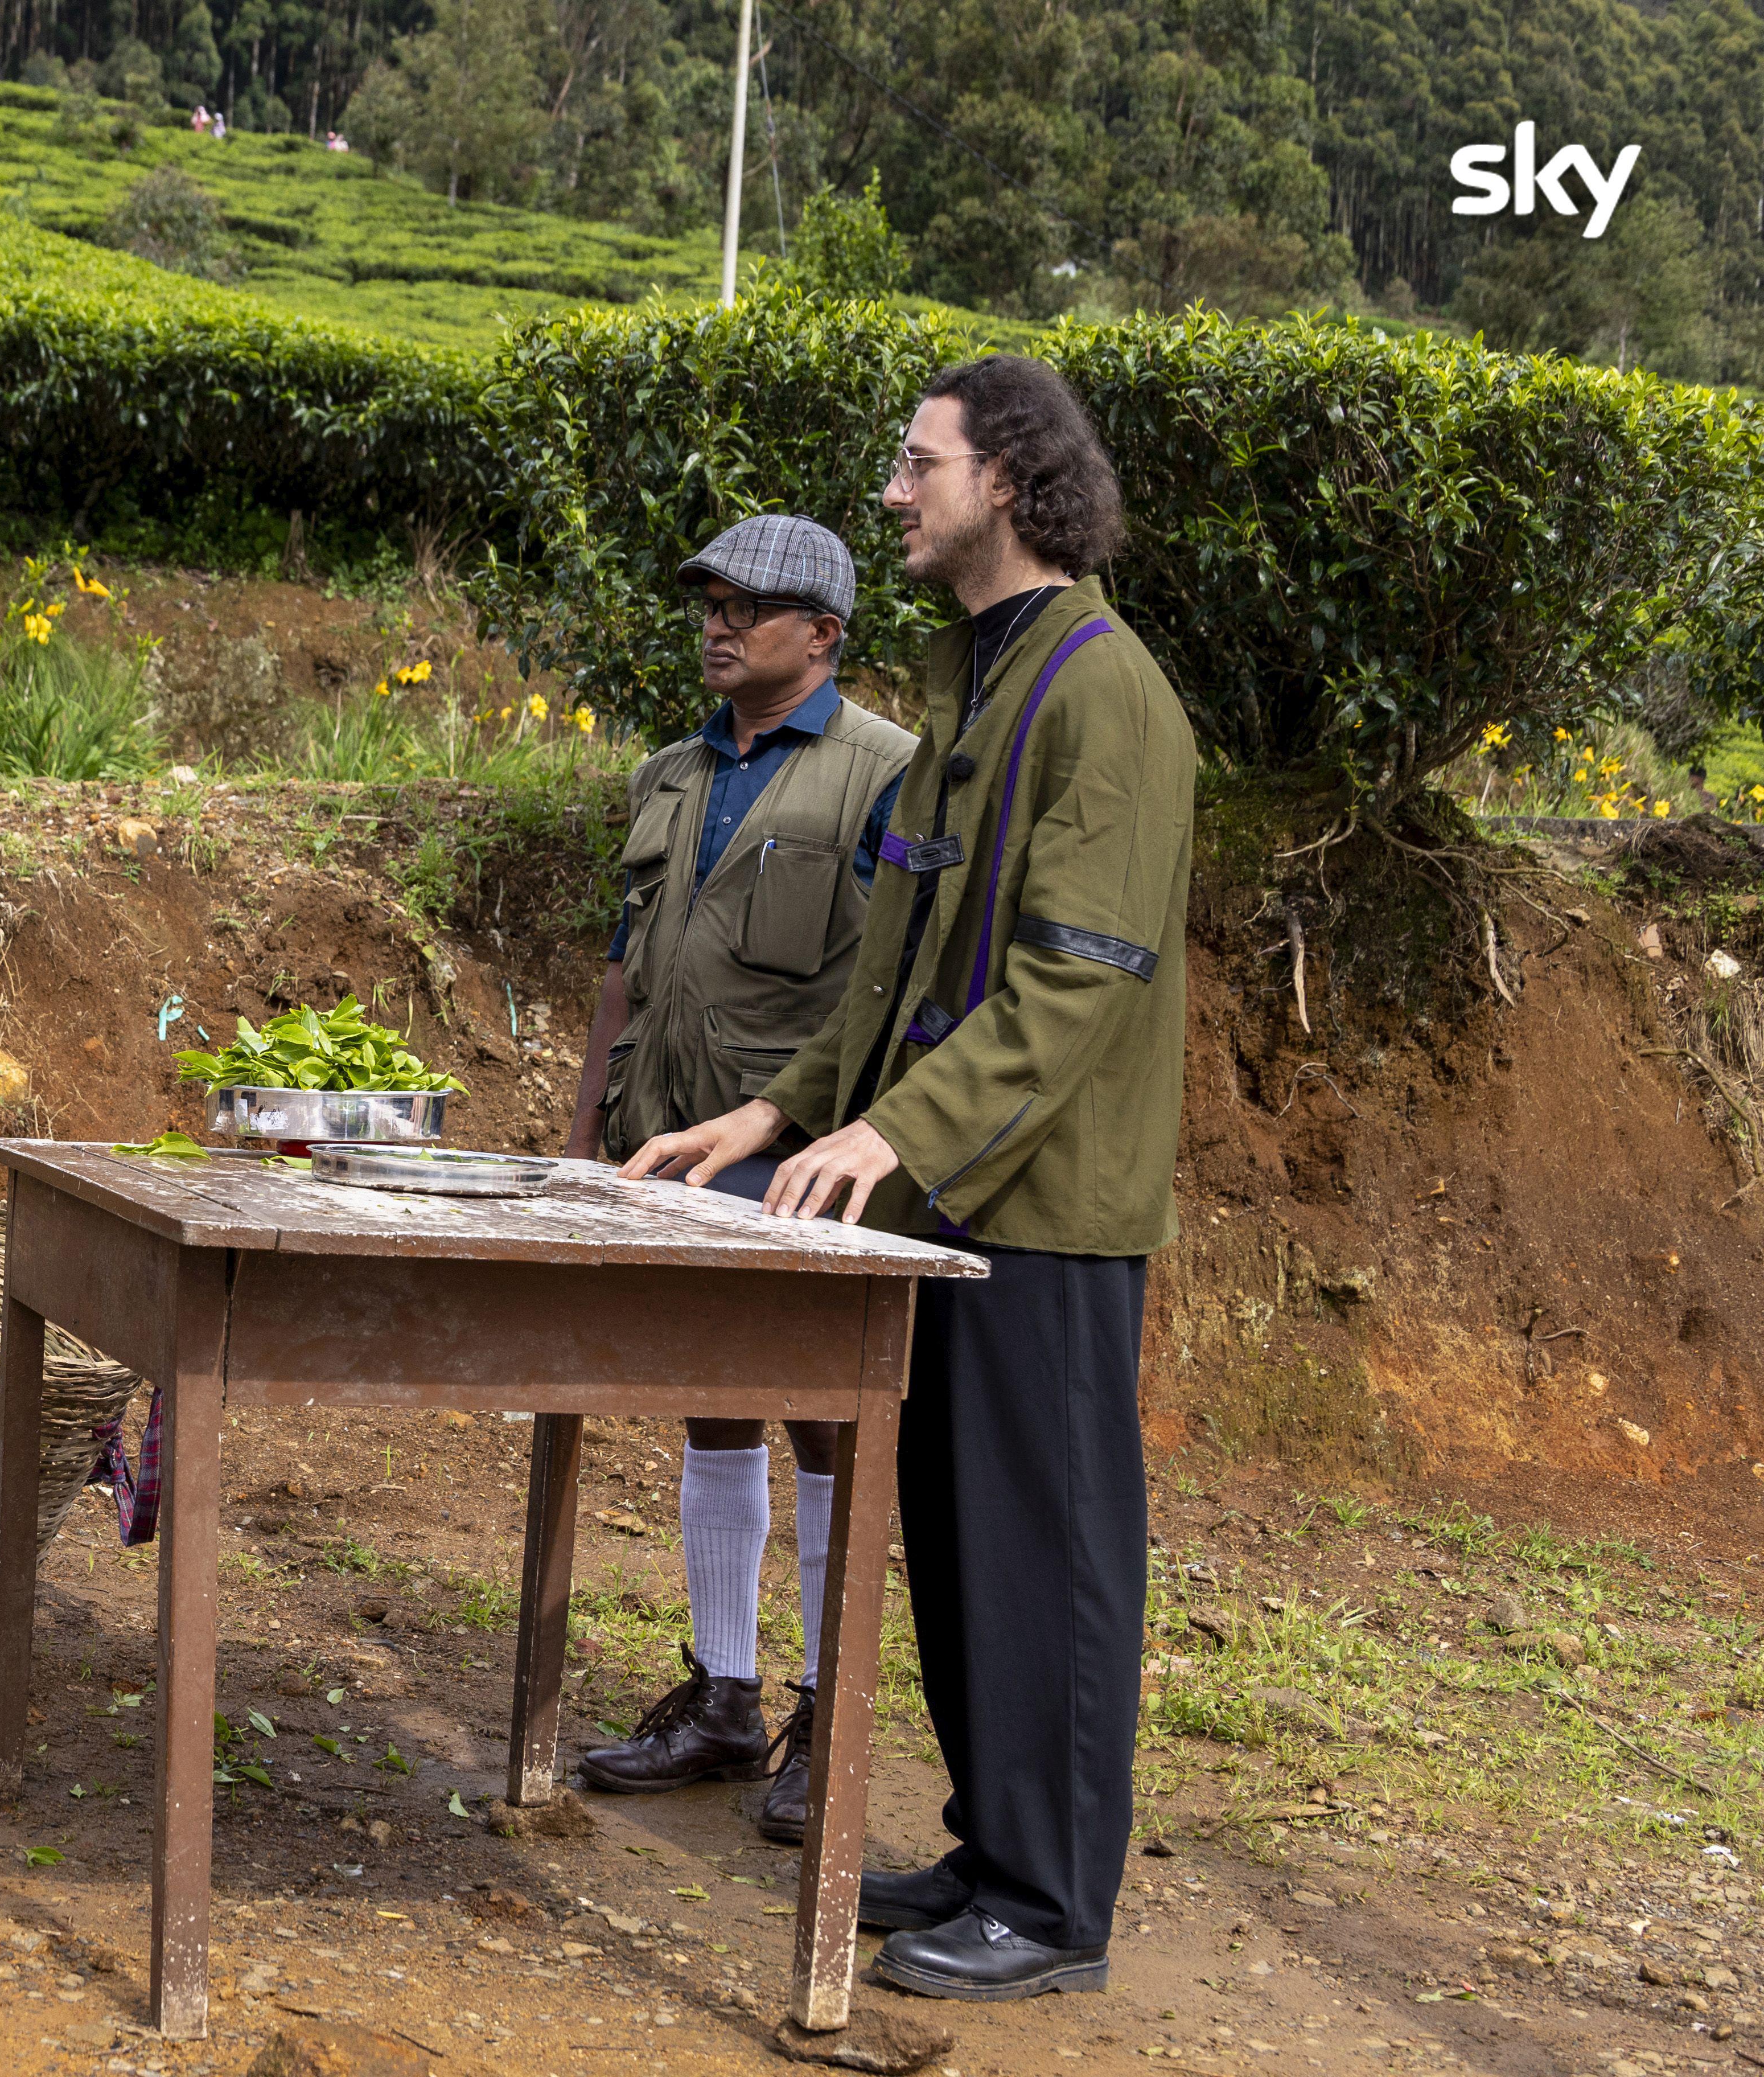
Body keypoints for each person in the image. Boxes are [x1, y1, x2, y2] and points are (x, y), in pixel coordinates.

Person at [619, 354, 1194, 2003]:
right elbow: (896, 968)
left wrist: (904, 1136)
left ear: (1006, 477)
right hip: (951, 1202)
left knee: (1049, 1551)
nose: (895, 493)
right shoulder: (984, 679)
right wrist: (785, 1115)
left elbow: (1078, 978)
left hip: (1048, 1210)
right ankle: (995, 1844)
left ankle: (1053, 1906)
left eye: (918, 465)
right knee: (955, 1541)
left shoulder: (1103, 693)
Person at [563, 515, 910, 1841]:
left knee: (821, 1414)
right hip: (661, 1135)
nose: (717, 622)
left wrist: (842, 1138)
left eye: (749, 606)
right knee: (708, 1398)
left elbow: (893, 987)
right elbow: (623, 969)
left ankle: (829, 1710)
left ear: (822, 635)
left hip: (796, 1159)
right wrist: (582, 1128)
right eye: (706, 599)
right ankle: (723, 1695)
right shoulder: (667, 774)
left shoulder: (888, 775)